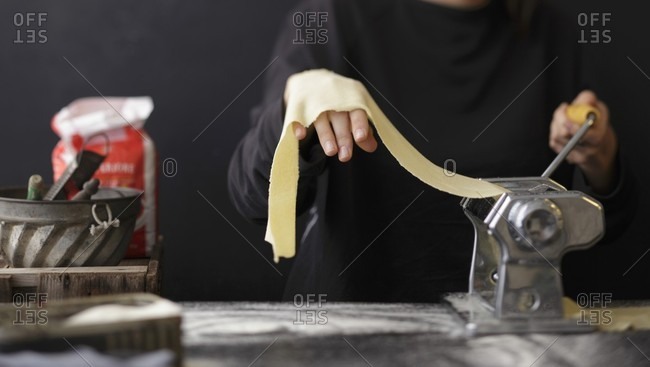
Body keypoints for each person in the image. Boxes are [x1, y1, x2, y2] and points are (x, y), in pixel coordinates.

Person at [228, 0, 635, 302]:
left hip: (515, 333)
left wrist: (602, 161)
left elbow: (605, 226)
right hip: (354, 333)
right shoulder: (333, 17)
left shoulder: (554, 29)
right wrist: (293, 115)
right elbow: (251, 197)